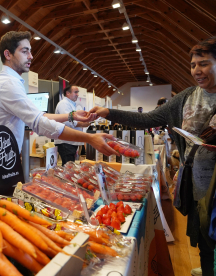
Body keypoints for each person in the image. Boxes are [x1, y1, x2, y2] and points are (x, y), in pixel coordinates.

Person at [90, 36, 216, 276]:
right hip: (197, 184)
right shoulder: (186, 97)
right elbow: (147, 119)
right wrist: (107, 112)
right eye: (193, 65)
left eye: (204, 64)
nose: (197, 71)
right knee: (203, 235)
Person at [0, 31, 117, 188]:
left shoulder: (12, 82)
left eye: (30, 51)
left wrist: (71, 116)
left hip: (3, 164)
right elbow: (39, 123)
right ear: (8, 54)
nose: (31, 56)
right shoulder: (8, 84)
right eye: (24, 51)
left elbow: (39, 115)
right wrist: (89, 138)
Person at [54, 85, 90, 165]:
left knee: (70, 167)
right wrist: (83, 123)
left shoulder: (71, 105)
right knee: (68, 168)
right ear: (67, 93)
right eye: (75, 92)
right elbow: (68, 122)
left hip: (70, 141)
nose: (77, 94)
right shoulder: (64, 104)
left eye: (78, 92)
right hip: (66, 142)